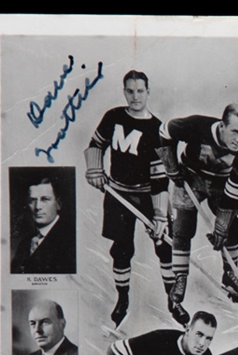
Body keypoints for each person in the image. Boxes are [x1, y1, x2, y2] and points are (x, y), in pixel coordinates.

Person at [84, 70, 185, 326]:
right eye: (130, 91)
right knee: (121, 250)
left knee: (166, 248)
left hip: (147, 196)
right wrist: (95, 168)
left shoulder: (156, 129)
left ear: (148, 92)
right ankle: (123, 299)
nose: (135, 96)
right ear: (124, 91)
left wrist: (160, 215)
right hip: (118, 193)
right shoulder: (114, 117)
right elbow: (96, 144)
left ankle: (173, 302)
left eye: (140, 91)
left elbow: (159, 179)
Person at [157, 103, 238, 313]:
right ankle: (180, 276)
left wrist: (222, 226)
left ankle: (230, 273)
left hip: (221, 184)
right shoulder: (197, 125)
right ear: (221, 126)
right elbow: (165, 130)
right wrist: (170, 165)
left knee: (233, 230)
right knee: (182, 228)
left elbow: (235, 192)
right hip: (190, 178)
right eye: (235, 132)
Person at [10, 176, 76, 275]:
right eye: (32, 200)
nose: (37, 207)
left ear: (59, 204)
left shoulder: (71, 240)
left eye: (45, 199)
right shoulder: (25, 243)